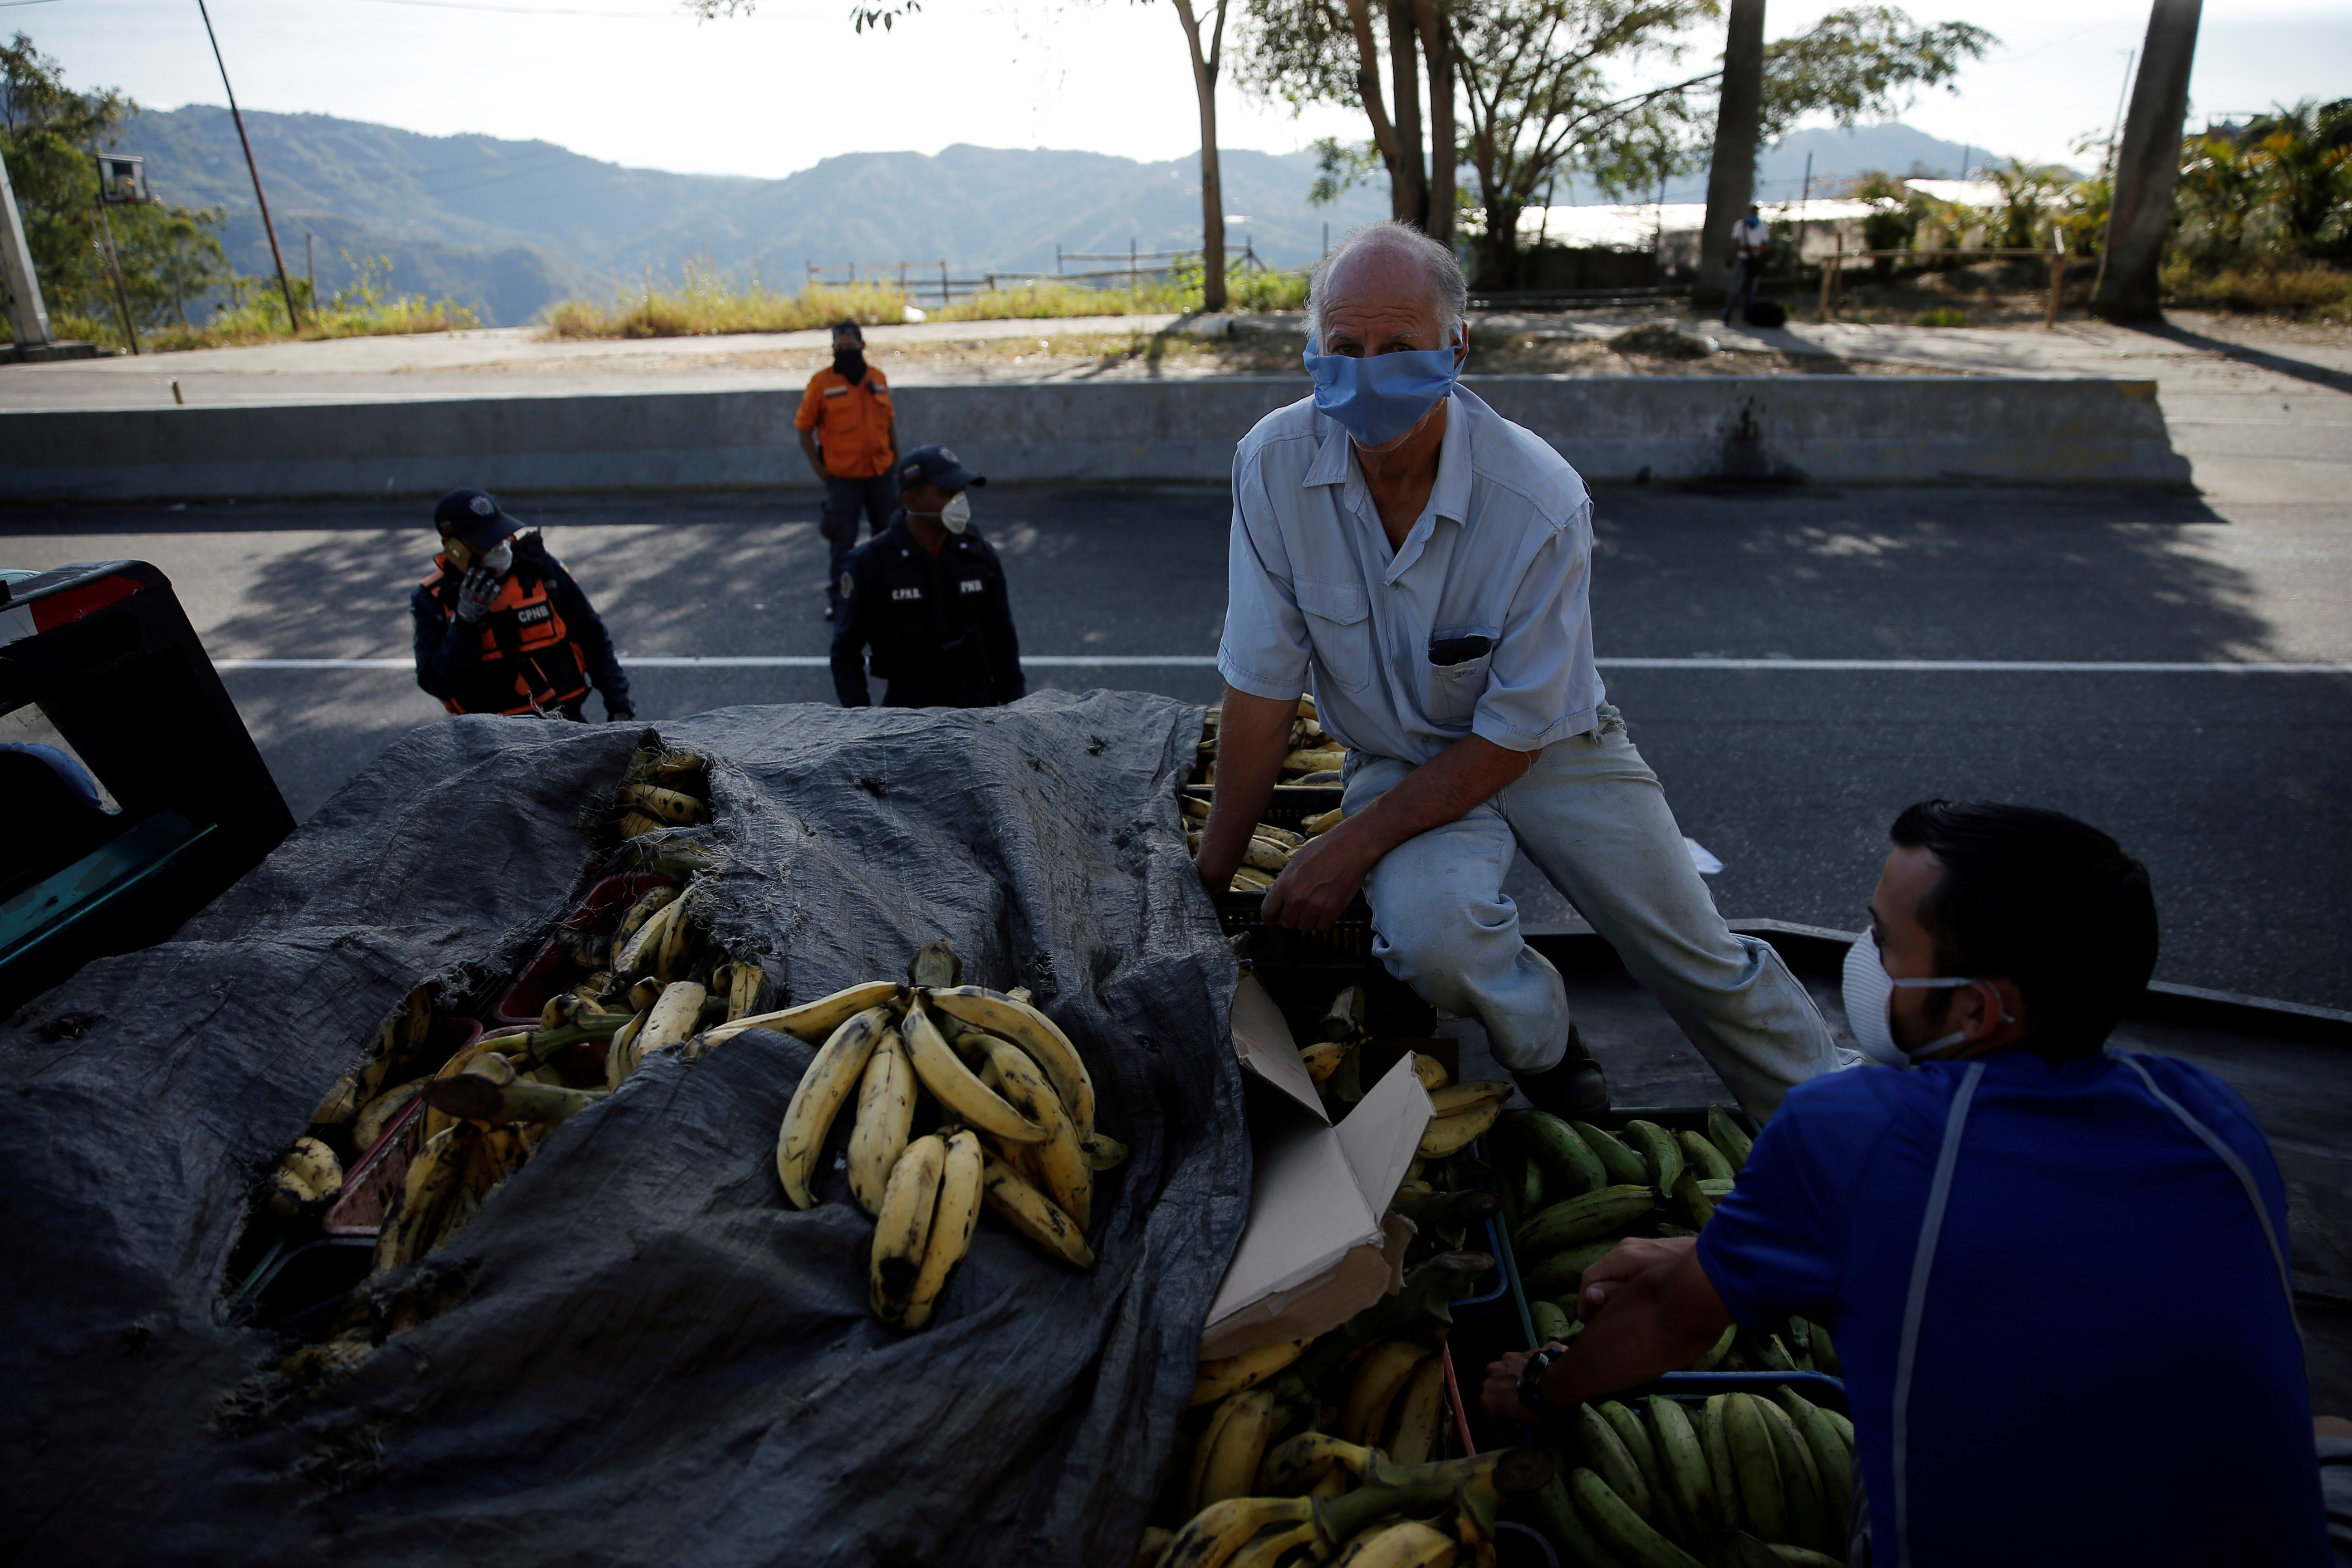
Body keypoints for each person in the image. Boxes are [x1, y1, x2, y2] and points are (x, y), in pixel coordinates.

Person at [1481, 800, 2328, 1567]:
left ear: (1975, 1011)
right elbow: (2017, 1263)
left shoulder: (1856, 1127)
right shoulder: (2210, 1118)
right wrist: (1715, 1252)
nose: (1866, 959)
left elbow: (1669, 1322)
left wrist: (1539, 1381)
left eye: (1882, 941)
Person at [1196, 220, 1836, 1121]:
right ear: (1313, 348)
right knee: (1434, 940)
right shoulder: (1273, 464)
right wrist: (1209, 885)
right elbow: (1261, 692)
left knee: (1688, 952)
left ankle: (1831, 1117)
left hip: (1550, 748)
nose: (1369, 371)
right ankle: (1546, 1046)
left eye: (1399, 346)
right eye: (1346, 347)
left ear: (1457, 346)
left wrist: (1348, 844)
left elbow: (1509, 739)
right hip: (1400, 755)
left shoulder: (1537, 498)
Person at [829, 444, 1025, 710]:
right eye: (947, 493)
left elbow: (1002, 641)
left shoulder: (980, 556)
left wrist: (1016, 714)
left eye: (961, 492)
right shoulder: (871, 563)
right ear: (911, 501)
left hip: (978, 708)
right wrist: (861, 721)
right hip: (908, 712)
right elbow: (846, 654)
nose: (959, 502)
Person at [412, 488, 633, 722]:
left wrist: (618, 703)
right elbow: (438, 683)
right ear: (453, 547)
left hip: (564, 723)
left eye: (500, 534)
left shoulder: (540, 568)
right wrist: (465, 623)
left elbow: (593, 636)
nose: (500, 546)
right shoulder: (432, 598)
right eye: (486, 541)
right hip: (488, 737)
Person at [797, 318, 900, 620]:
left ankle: (888, 593)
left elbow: (889, 421)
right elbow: (804, 429)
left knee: (888, 538)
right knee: (842, 542)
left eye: (850, 346)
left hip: (881, 474)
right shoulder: (822, 383)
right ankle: (841, 598)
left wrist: (896, 458)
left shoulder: (878, 378)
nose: (845, 351)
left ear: (862, 346)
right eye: (839, 347)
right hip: (843, 478)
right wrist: (820, 468)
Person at [1725, 202, 1769, 326]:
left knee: (1752, 290)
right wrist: (1747, 250)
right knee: (1735, 289)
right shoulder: (1741, 226)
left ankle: (1748, 317)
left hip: (1755, 262)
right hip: (1743, 260)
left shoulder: (1762, 227)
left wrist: (1757, 251)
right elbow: (1736, 243)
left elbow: (1766, 245)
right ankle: (1727, 316)